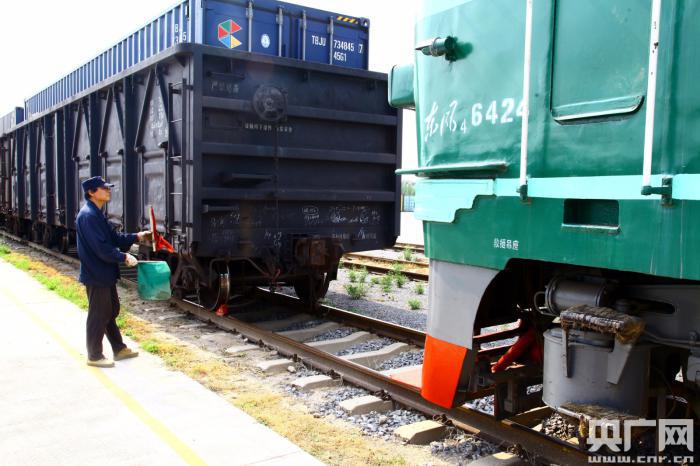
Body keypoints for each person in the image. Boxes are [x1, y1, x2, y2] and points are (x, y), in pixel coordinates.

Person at [76, 176, 152, 368]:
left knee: (110, 310)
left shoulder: (96, 213)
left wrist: (137, 236)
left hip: (104, 272)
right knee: (98, 314)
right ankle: (94, 356)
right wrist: (123, 257)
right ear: (91, 192)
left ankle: (119, 349)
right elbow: (101, 248)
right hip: (96, 273)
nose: (108, 190)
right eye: (104, 188)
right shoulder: (88, 216)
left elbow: (114, 238)